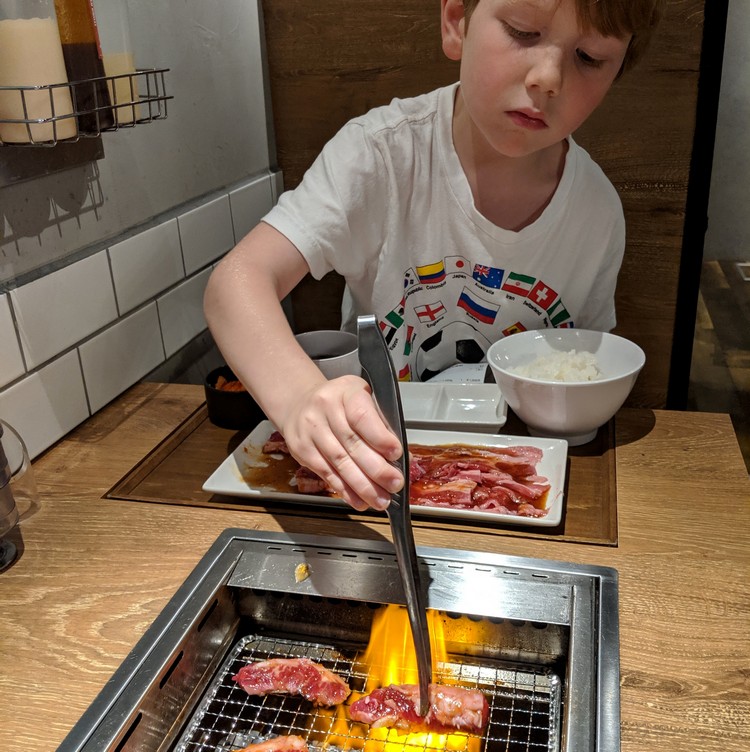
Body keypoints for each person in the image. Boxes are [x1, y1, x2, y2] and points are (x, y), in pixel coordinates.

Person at [204, 0, 664, 512]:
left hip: (515, 482)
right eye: (522, 31)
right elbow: (236, 283)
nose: (548, 78)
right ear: (455, 23)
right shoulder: (380, 153)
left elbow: (588, 370)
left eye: (589, 57)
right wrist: (298, 396)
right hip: (371, 471)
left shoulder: (596, 211)